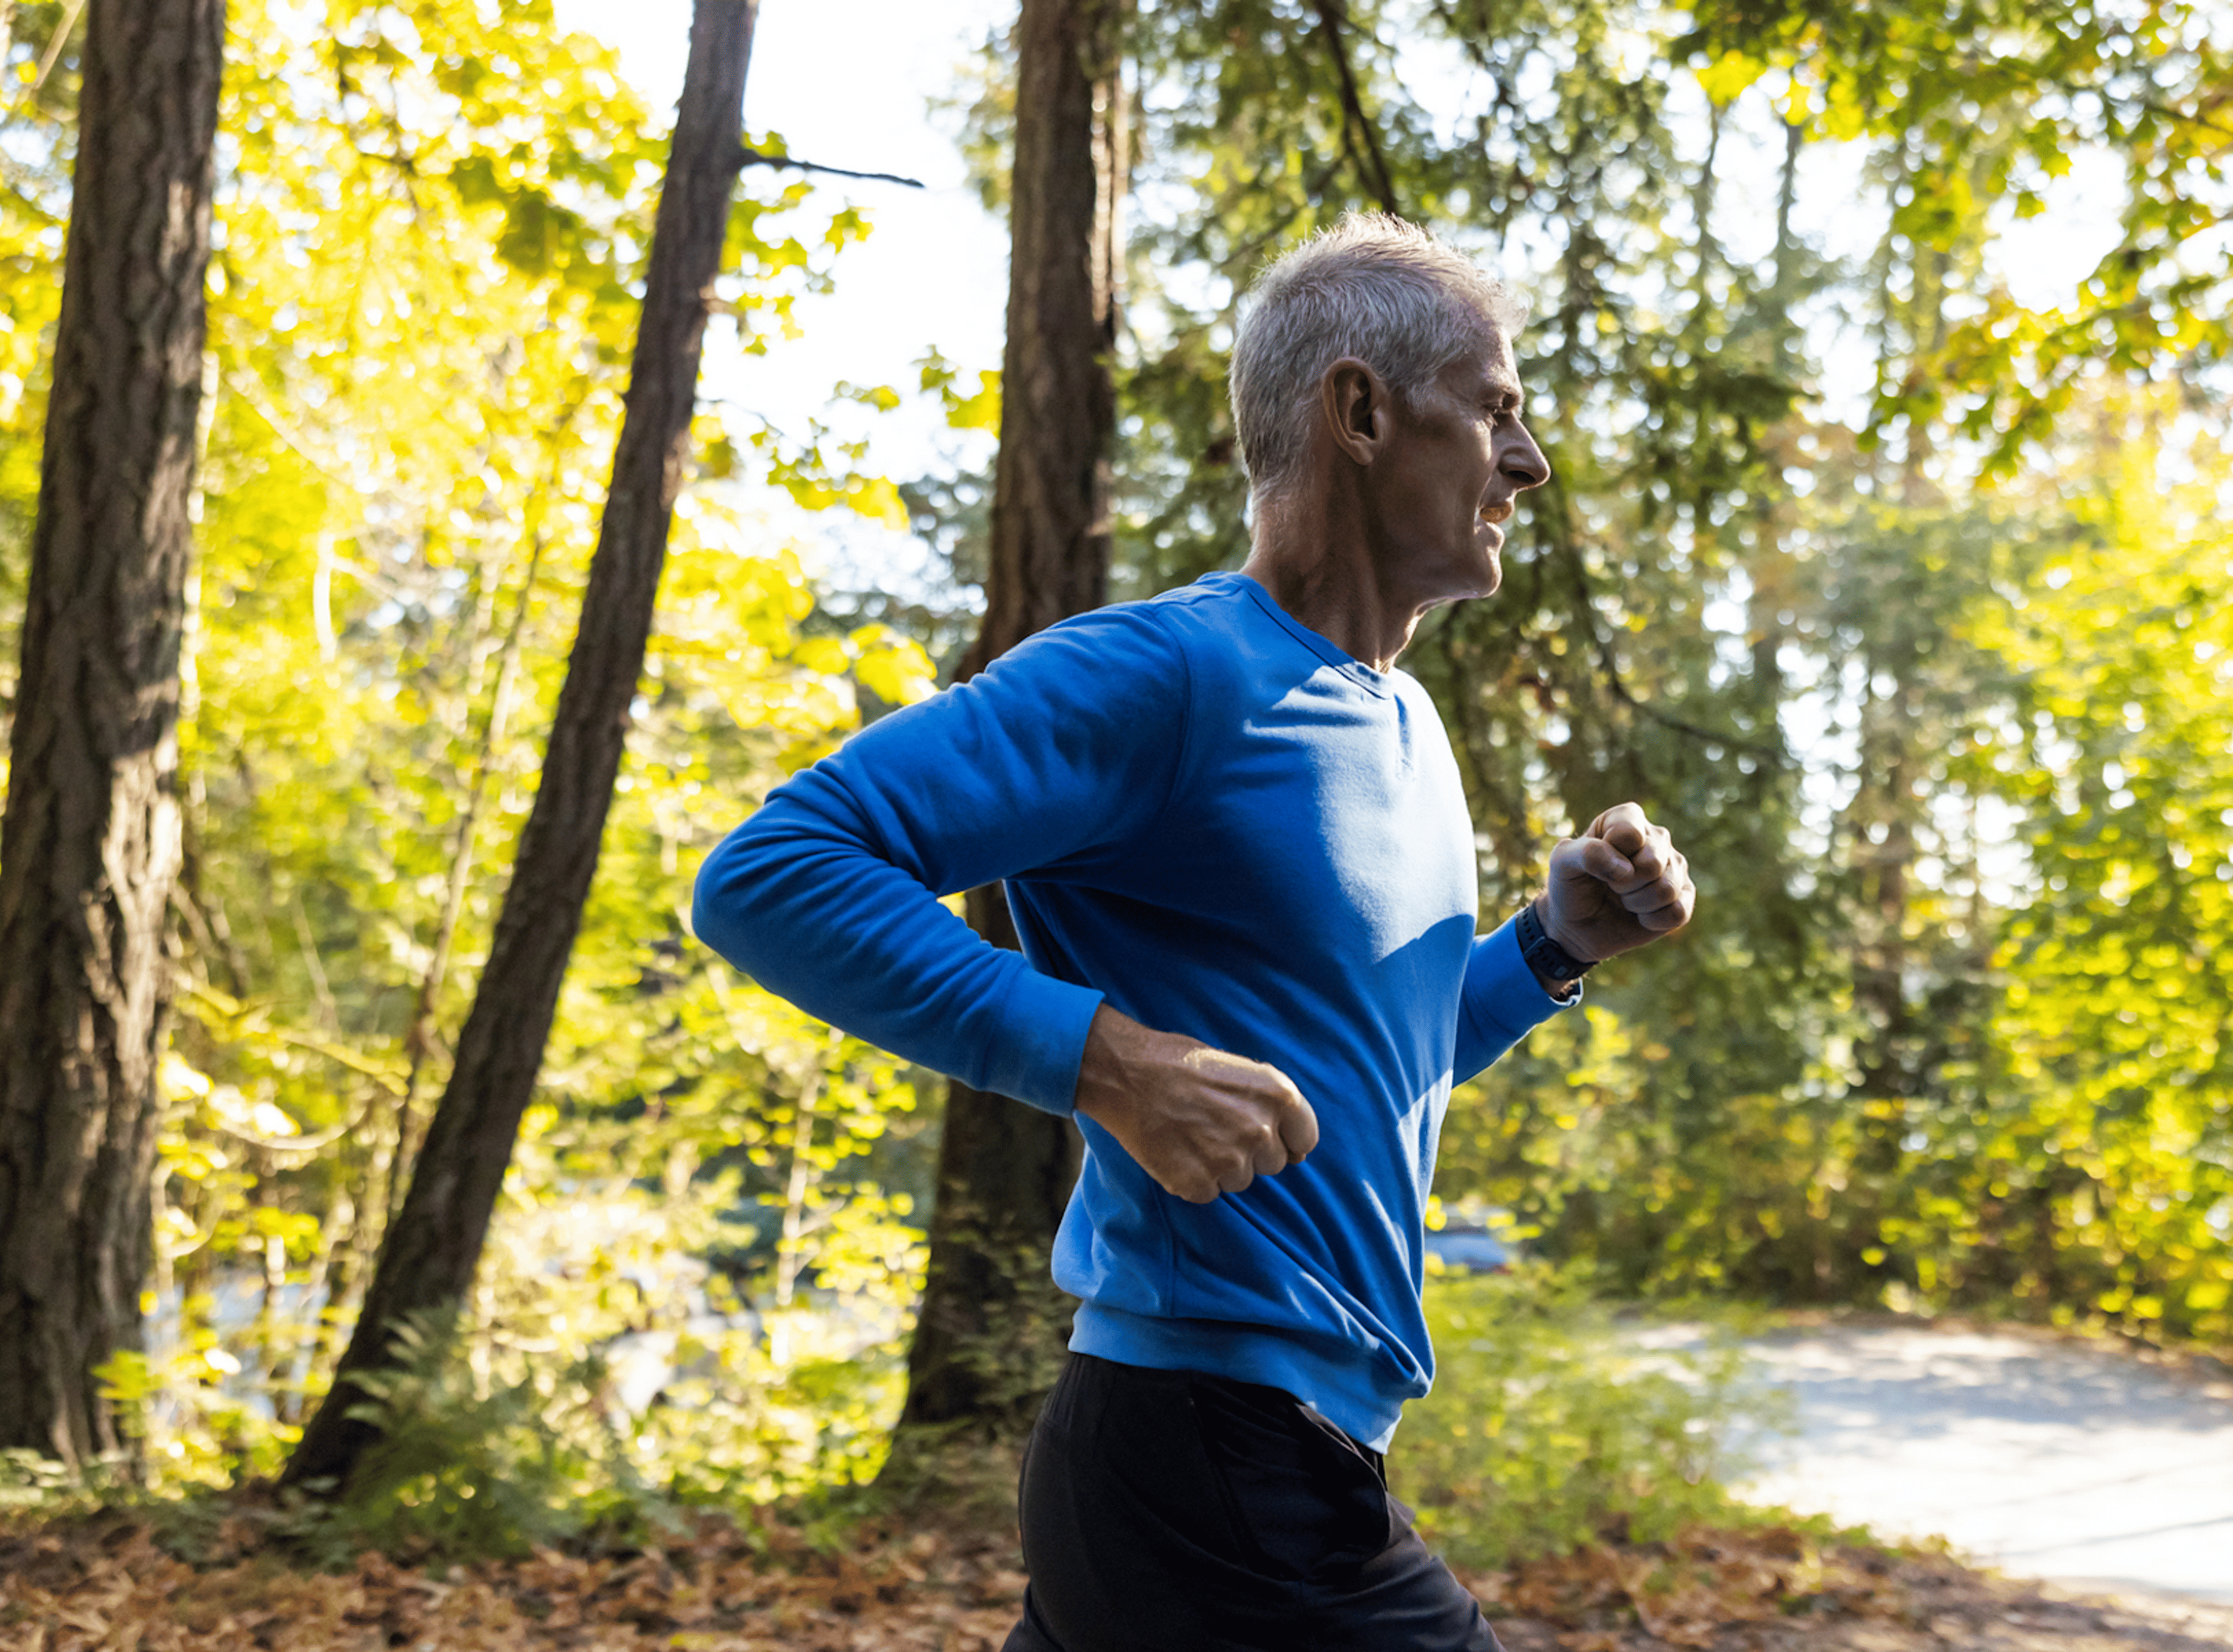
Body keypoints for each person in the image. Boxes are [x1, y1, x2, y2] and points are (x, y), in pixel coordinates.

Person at [692, 212, 1697, 1652]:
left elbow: (1362, 1069)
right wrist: (1106, 1061)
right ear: (1361, 410)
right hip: (1209, 1451)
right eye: (1496, 412)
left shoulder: (1404, 722)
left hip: (1248, 1449)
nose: (1527, 464)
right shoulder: (1166, 674)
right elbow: (772, 869)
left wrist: (1550, 949)